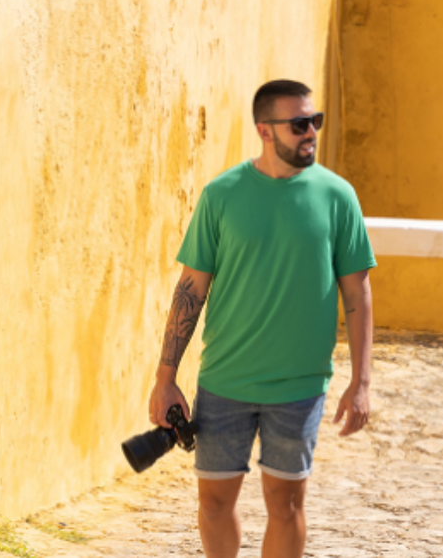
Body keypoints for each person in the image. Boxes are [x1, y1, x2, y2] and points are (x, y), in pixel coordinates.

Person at [146, 80, 375, 558]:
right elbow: (192, 290)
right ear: (265, 131)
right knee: (213, 503)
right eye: (298, 124)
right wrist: (165, 378)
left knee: (286, 503)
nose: (310, 132)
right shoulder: (222, 195)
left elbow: (357, 293)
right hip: (224, 380)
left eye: (316, 121)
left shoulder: (338, 197)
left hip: (299, 386)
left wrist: (362, 381)